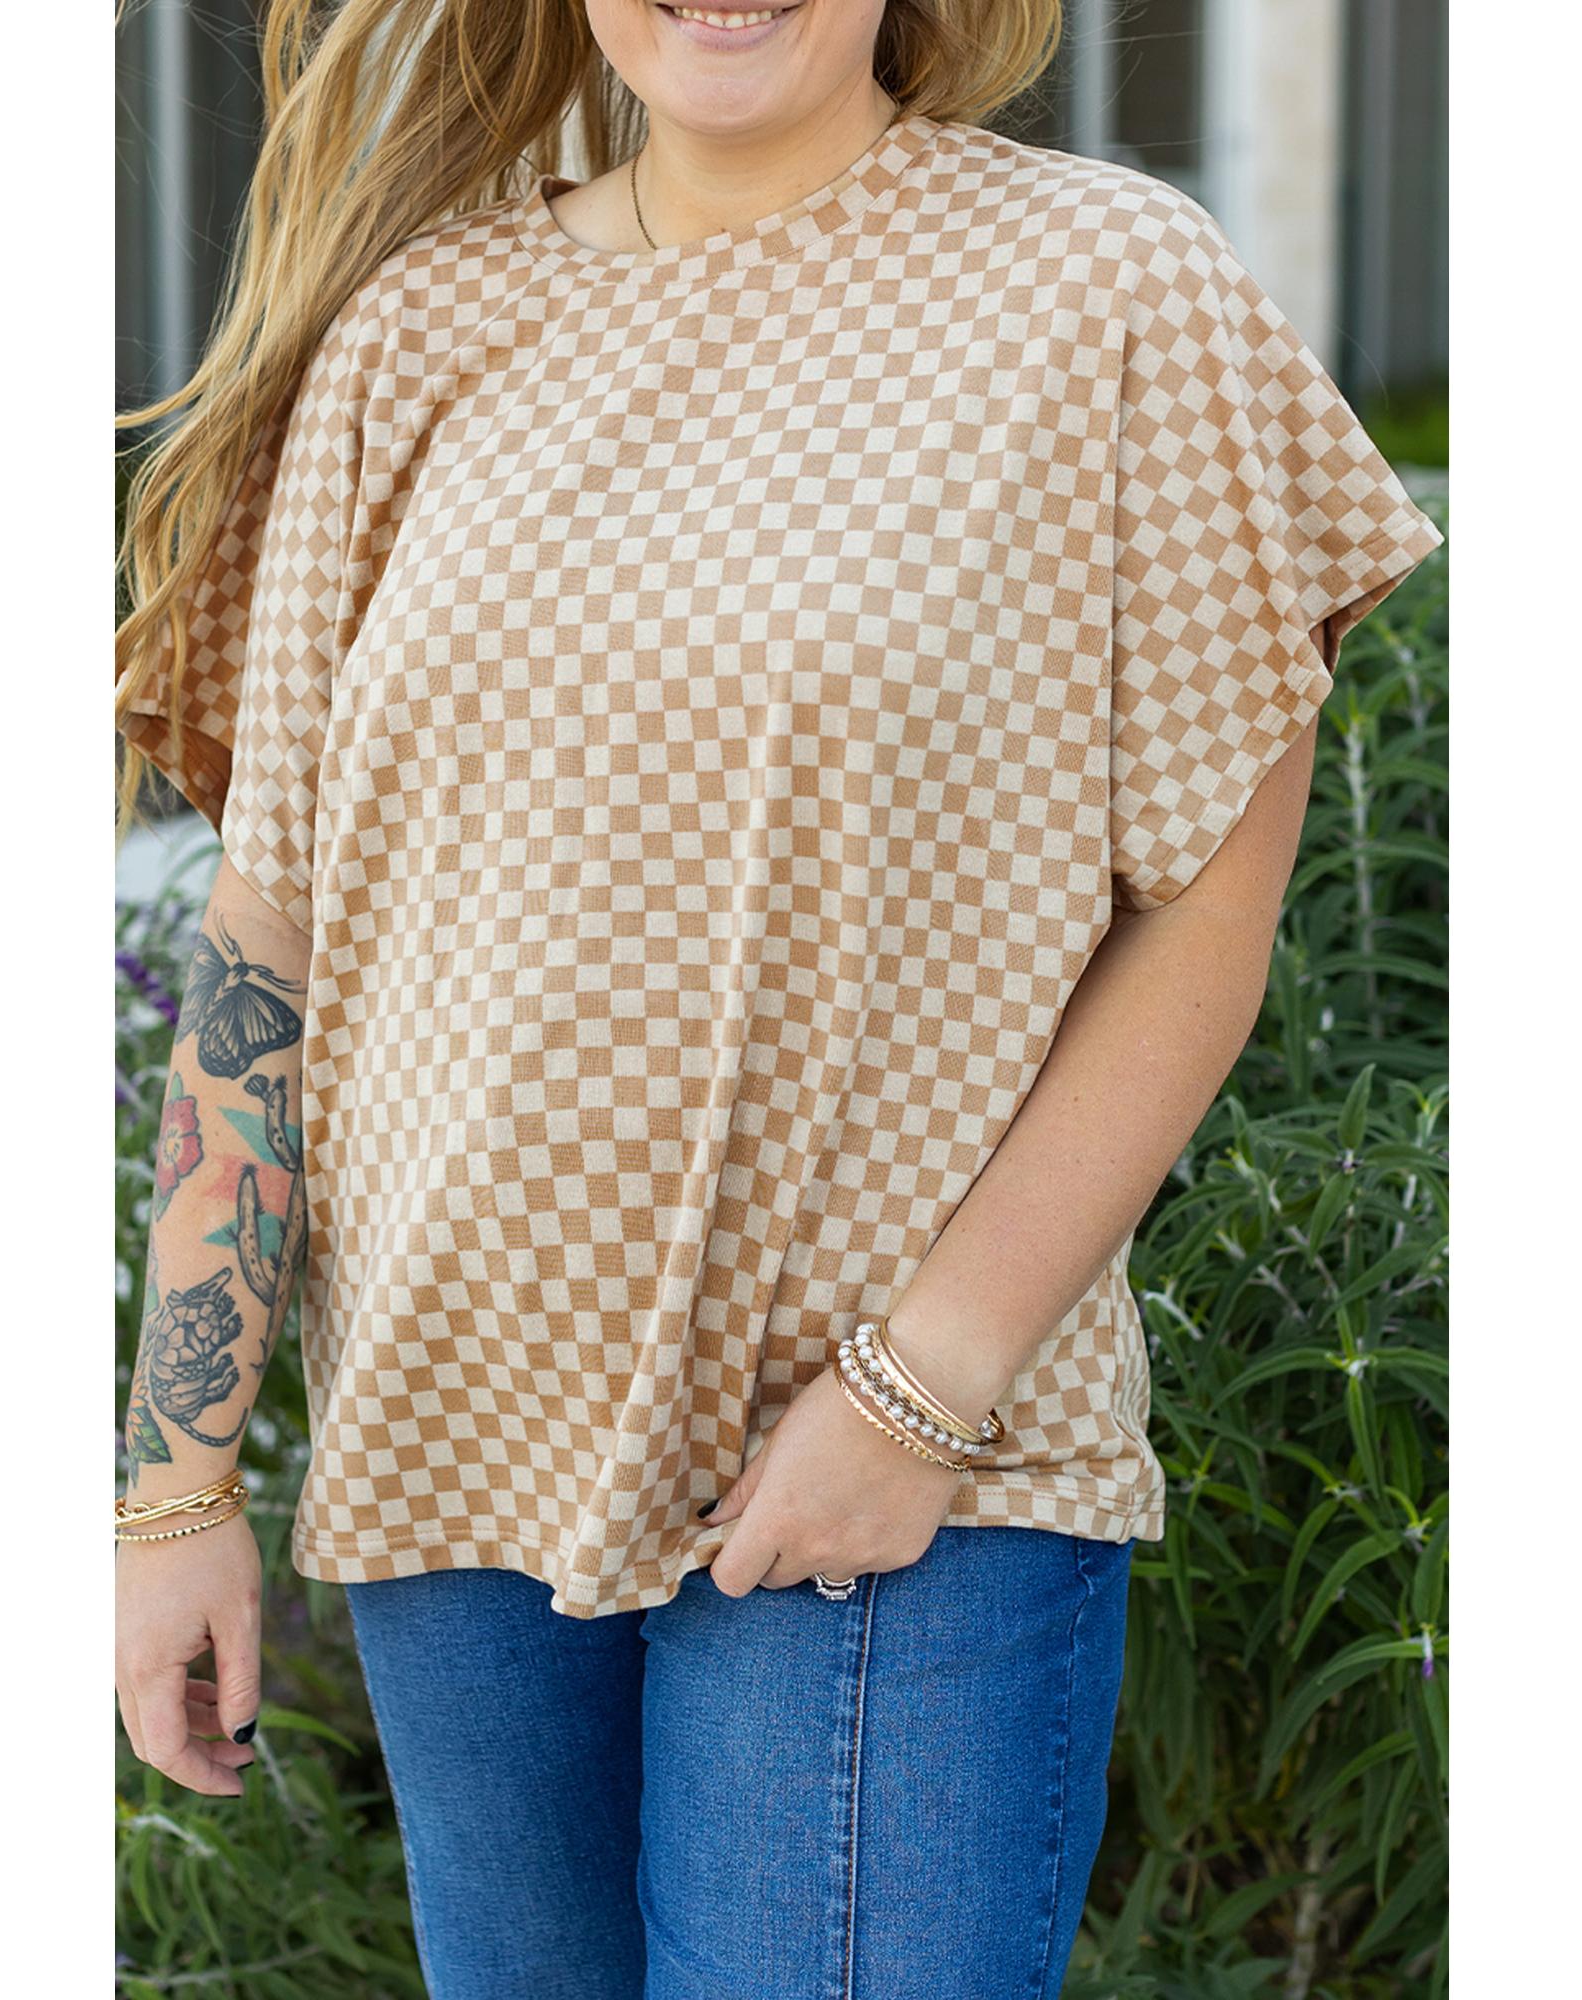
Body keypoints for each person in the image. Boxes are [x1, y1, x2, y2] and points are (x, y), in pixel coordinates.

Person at [113, 3, 1444, 1995]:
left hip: (900, 1473)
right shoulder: (418, 331)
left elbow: (1203, 922)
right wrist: (170, 1487)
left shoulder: (1104, 289)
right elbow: (268, 937)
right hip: (450, 1453)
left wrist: (918, 1391)